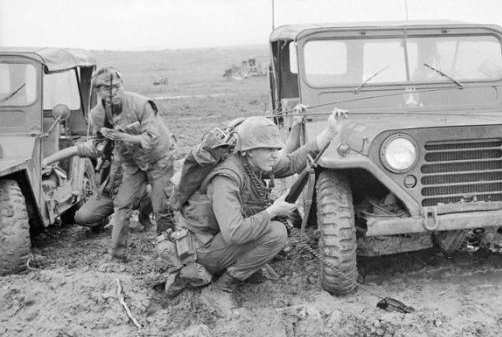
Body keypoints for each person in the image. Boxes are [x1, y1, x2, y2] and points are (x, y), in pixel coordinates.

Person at [172, 109, 347, 304]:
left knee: (272, 228)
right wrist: (272, 212)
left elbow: (291, 163)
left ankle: (240, 267)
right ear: (249, 150)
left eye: (275, 149)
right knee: (276, 233)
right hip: (202, 251)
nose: (275, 155)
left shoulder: (248, 163)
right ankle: (221, 288)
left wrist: (330, 132)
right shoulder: (226, 178)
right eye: (269, 150)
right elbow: (234, 233)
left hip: (218, 241)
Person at [89, 67, 175, 261]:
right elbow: (97, 142)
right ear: (98, 92)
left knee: (162, 208)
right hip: (132, 164)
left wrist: (121, 136)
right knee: (122, 204)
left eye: (117, 87)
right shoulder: (96, 115)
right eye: (107, 89)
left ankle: (169, 253)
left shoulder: (141, 104)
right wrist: (103, 143)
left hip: (158, 159)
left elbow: (150, 139)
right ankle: (117, 256)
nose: (114, 93)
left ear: (122, 85)